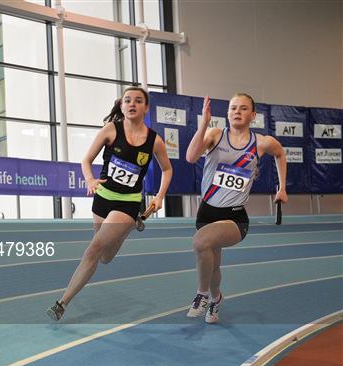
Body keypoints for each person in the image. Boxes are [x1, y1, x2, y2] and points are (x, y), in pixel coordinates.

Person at [46, 86, 173, 321]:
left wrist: (159, 196)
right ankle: (125, 231)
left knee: (93, 249)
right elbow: (86, 160)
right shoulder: (111, 130)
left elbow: (167, 169)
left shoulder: (155, 141)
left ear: (146, 107)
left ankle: (61, 303)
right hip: (102, 198)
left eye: (138, 100)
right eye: (127, 100)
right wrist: (90, 179)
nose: (132, 104)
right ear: (122, 106)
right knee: (104, 257)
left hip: (128, 203)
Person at [185, 93, 288, 324]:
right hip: (206, 212)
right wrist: (203, 124)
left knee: (200, 242)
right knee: (213, 265)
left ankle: (201, 295)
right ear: (227, 112)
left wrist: (282, 188)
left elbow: (281, 154)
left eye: (243, 108)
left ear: (253, 115)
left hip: (235, 217)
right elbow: (191, 157)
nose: (237, 112)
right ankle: (215, 298)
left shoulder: (261, 142)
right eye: (233, 108)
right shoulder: (214, 134)